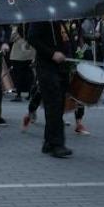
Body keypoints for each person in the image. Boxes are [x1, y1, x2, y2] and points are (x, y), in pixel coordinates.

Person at [27, 21, 73, 158]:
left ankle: (48, 143)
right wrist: (51, 53)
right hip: (47, 67)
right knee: (54, 105)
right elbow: (32, 38)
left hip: (62, 66)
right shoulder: (41, 15)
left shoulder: (61, 17)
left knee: (58, 106)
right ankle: (57, 144)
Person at [9, 23, 35, 103]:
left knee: (19, 75)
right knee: (29, 74)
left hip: (18, 54)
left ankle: (18, 94)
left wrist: (13, 29)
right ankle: (31, 94)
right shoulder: (32, 24)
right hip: (30, 51)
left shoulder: (17, 26)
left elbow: (12, 38)